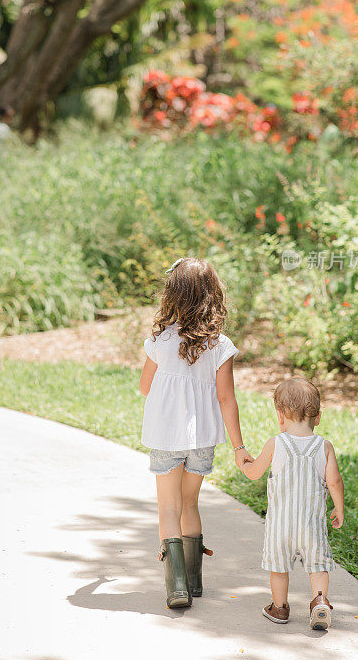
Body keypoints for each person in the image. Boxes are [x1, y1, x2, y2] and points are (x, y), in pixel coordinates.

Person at [139, 257, 252, 609]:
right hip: (203, 439)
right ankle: (195, 580)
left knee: (168, 507)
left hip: (165, 436)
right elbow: (226, 399)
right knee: (189, 503)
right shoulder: (220, 345)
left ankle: (176, 587)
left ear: (173, 294)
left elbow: (145, 387)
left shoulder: (160, 340)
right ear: (212, 296)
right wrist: (239, 446)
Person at [239, 377, 344, 630]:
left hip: (281, 526)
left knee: (279, 567)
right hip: (313, 526)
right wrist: (339, 508)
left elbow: (254, 472)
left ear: (280, 415)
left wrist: (244, 462)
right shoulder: (324, 447)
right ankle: (319, 601)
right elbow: (335, 482)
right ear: (317, 417)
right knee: (317, 565)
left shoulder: (276, 443)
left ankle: (280, 607)